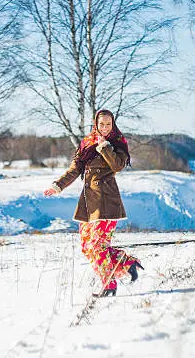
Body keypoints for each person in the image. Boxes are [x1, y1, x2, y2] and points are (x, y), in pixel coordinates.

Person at [43, 109, 143, 297]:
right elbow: (74, 170)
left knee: (97, 247)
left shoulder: (117, 143)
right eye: (101, 124)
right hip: (88, 203)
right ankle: (126, 262)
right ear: (95, 124)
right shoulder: (87, 143)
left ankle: (109, 284)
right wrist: (57, 186)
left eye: (108, 124)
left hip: (107, 201)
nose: (105, 128)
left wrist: (105, 146)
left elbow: (117, 166)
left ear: (113, 125)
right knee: (86, 246)